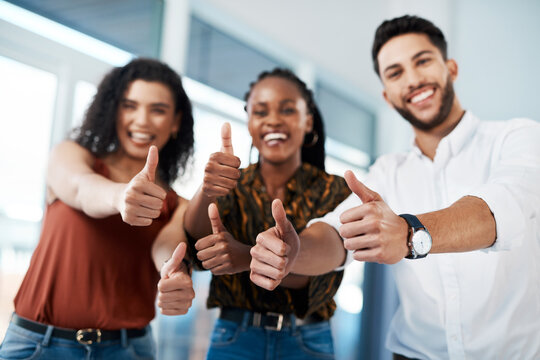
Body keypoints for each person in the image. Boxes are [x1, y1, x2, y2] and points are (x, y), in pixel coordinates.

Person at [251, 15, 540, 360]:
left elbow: (500, 210)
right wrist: (297, 253)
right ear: (388, 97)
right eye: (396, 72)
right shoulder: (388, 171)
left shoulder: (520, 137)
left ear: (451, 68)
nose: (414, 79)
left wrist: (407, 232)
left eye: (423, 61)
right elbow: (336, 234)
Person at [0, 58, 196, 359]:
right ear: (113, 111)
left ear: (175, 122)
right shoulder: (72, 155)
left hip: (129, 349)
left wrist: (176, 273)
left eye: (157, 110)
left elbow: (166, 248)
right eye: (129, 105)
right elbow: (81, 188)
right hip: (39, 346)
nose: (142, 120)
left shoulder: (177, 204)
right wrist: (121, 197)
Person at [183, 68, 351, 359]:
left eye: (287, 110)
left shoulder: (335, 190)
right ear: (249, 122)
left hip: (308, 341)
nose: (273, 120)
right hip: (235, 337)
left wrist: (244, 257)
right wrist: (207, 190)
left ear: (308, 120)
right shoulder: (232, 184)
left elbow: (317, 276)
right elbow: (197, 243)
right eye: (261, 112)